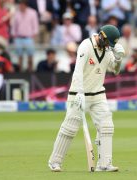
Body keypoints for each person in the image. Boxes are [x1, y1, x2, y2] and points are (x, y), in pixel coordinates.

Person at [48, 25, 125, 172]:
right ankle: (54, 162)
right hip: (78, 94)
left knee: (107, 126)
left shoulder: (108, 50)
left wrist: (119, 59)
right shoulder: (85, 45)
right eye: (108, 42)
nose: (109, 46)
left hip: (98, 94)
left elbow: (115, 70)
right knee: (70, 128)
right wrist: (79, 92)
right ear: (102, 36)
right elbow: (77, 70)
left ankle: (104, 164)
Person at [11, 0, 39, 72]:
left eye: (22, 4)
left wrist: (34, 35)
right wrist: (14, 35)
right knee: (19, 57)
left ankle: (30, 71)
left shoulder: (32, 12)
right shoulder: (16, 13)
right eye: (20, 4)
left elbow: (35, 26)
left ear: (26, 5)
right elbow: (14, 26)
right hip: (19, 38)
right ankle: (20, 72)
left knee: (30, 56)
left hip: (29, 38)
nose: (21, 6)